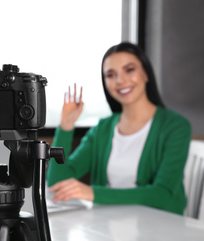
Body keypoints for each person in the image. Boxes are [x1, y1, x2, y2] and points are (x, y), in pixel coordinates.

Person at [47, 42, 191, 215]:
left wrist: (93, 193)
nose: (120, 81)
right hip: (108, 224)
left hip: (158, 228)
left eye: (129, 70)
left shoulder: (175, 126)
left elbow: (163, 195)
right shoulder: (102, 129)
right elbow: (56, 182)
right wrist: (65, 127)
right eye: (110, 74)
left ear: (146, 73)